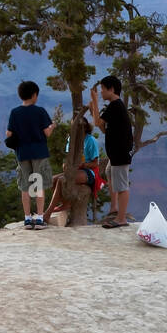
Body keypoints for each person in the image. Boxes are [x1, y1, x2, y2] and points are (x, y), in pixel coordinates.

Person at [6, 80, 54, 229]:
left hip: (22, 152)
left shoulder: (15, 112)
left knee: (25, 186)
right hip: (39, 152)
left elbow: (9, 134)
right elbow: (47, 133)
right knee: (38, 185)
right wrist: (52, 126)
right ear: (34, 95)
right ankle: (39, 218)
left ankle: (27, 219)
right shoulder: (40, 111)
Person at [89, 76, 133, 229]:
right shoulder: (115, 106)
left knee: (122, 185)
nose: (101, 92)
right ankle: (114, 208)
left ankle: (121, 219)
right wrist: (94, 108)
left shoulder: (115, 105)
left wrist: (94, 101)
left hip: (120, 153)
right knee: (109, 172)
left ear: (111, 89)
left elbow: (96, 123)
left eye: (102, 89)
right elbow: (102, 128)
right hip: (115, 154)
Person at [45, 125, 104, 222]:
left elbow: (95, 163)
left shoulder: (90, 140)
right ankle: (65, 203)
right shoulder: (71, 140)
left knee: (61, 180)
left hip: (89, 172)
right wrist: (66, 164)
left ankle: (48, 212)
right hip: (75, 170)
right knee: (51, 180)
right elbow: (69, 157)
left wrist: (83, 165)